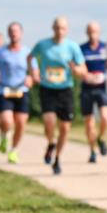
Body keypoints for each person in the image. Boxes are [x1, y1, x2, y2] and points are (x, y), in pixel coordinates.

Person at [28, 16, 86, 175]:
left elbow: (83, 70)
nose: (60, 31)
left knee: (65, 128)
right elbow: (30, 57)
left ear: (67, 30)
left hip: (65, 90)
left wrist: (76, 70)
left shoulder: (72, 47)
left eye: (63, 28)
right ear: (53, 28)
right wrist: (34, 72)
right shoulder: (43, 44)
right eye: (57, 28)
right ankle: (51, 142)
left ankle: (57, 158)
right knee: (49, 120)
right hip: (47, 88)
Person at [0, 22, 33, 164]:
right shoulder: (1, 52)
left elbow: (34, 71)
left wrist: (31, 78)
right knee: (7, 121)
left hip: (21, 90)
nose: (14, 33)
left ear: (21, 33)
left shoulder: (27, 52)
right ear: (8, 34)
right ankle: (4, 135)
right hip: (4, 90)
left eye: (16, 31)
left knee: (21, 123)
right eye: (11, 31)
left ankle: (13, 150)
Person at [80, 21, 107, 164]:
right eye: (90, 32)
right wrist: (85, 75)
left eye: (95, 32)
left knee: (105, 117)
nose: (93, 34)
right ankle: (92, 150)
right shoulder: (82, 49)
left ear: (99, 32)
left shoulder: (105, 48)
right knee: (89, 123)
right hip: (87, 88)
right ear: (87, 33)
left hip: (101, 88)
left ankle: (101, 138)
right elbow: (77, 67)